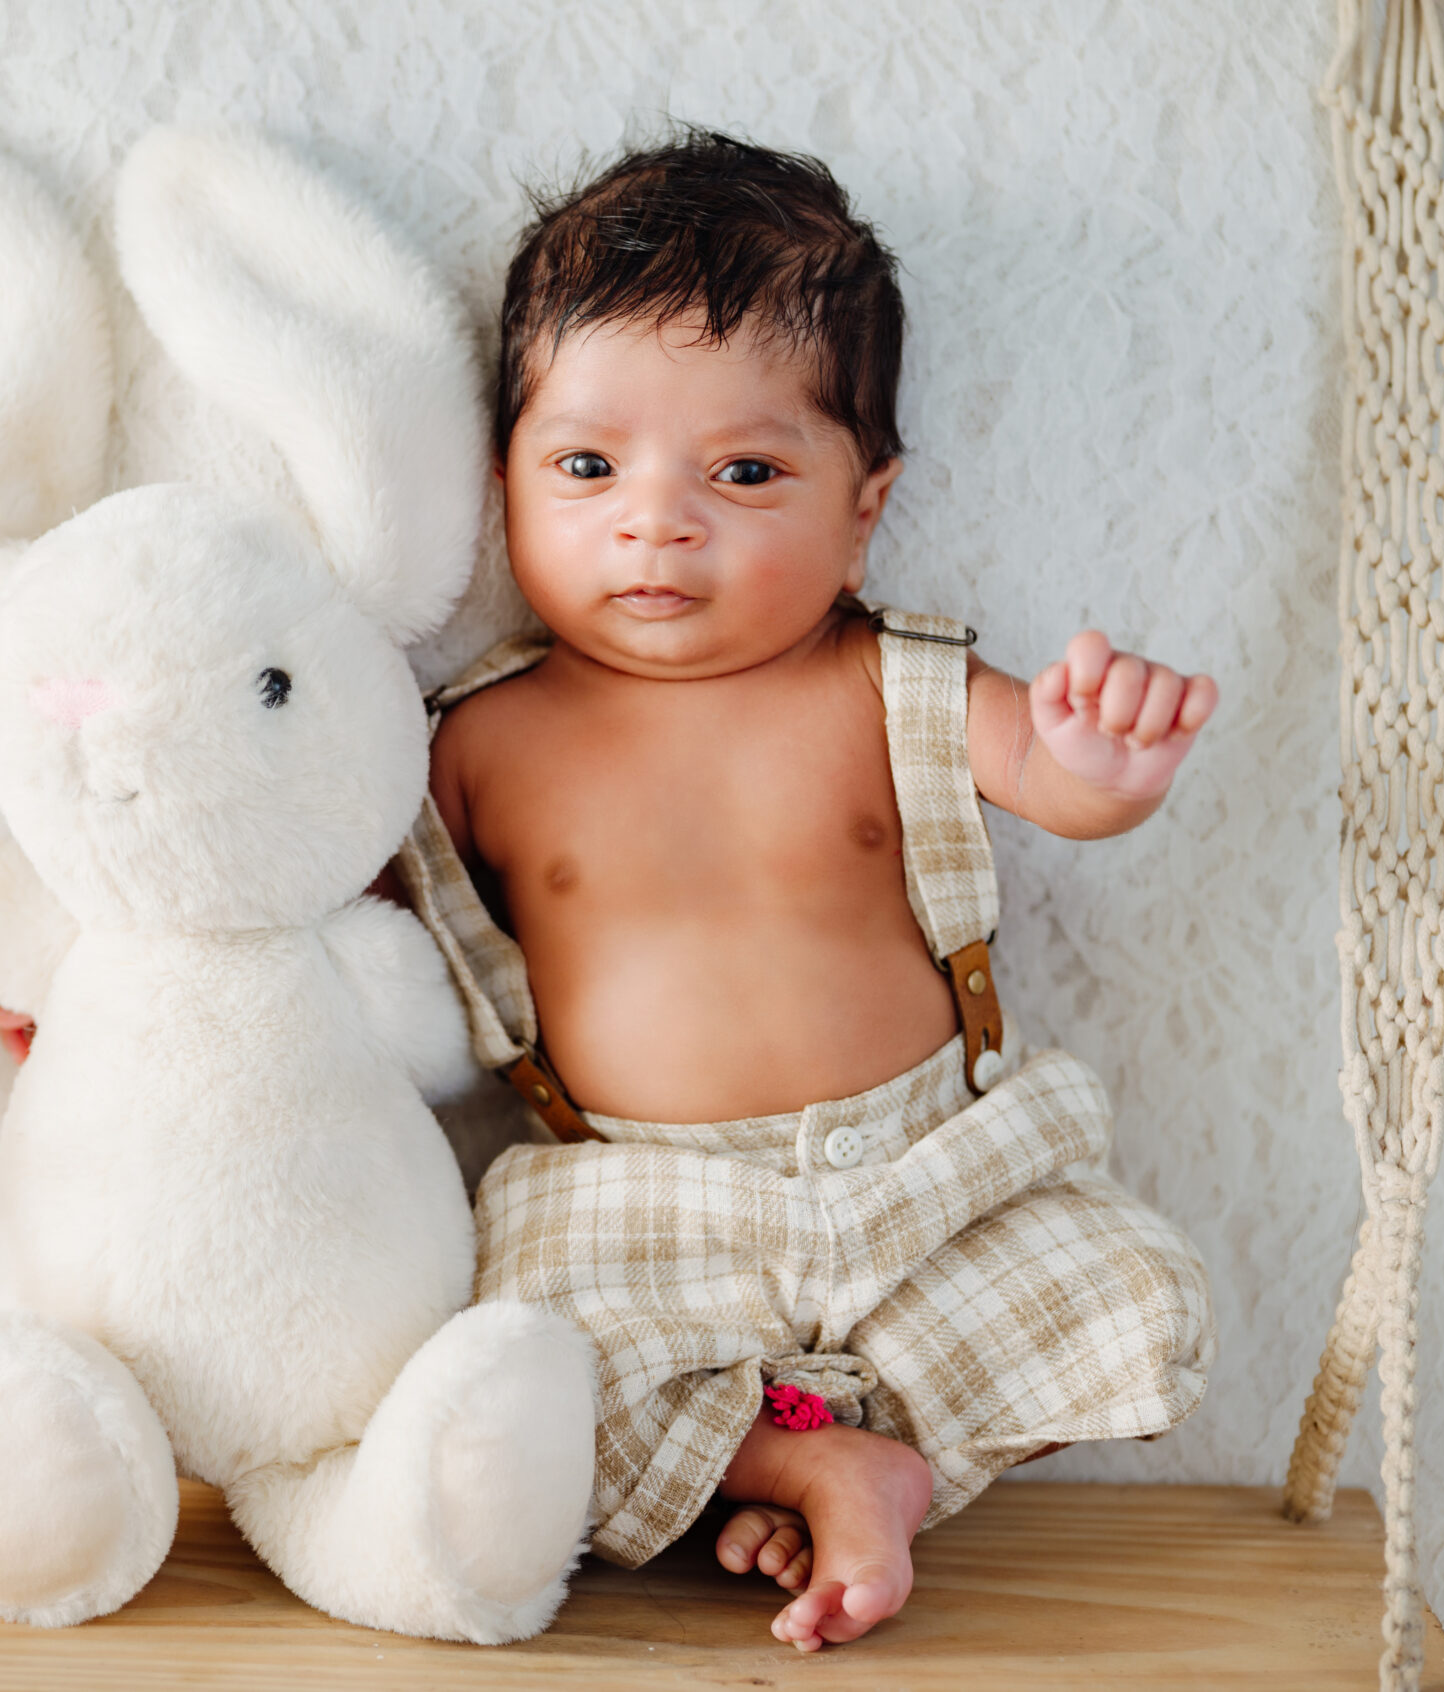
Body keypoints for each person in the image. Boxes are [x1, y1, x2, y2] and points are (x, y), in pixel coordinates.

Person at [394, 129, 1219, 1652]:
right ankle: (816, 1464)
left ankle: (808, 1458)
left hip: (927, 1172)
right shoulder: (474, 744)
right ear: (502, 481)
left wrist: (1105, 759)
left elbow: (1051, 777)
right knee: (507, 1379)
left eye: (746, 472)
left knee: (1135, 1295)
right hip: (637, 1199)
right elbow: (346, 944)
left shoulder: (885, 682)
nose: (657, 520)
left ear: (865, 510)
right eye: (587, 466)